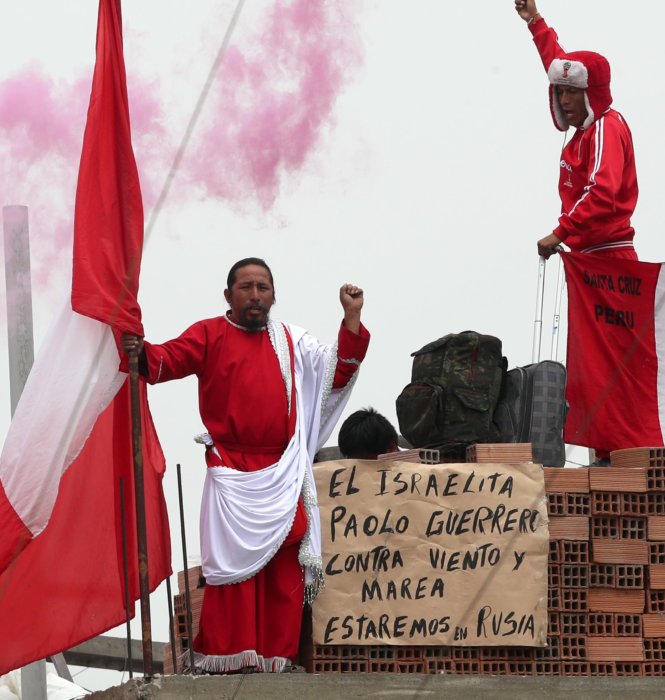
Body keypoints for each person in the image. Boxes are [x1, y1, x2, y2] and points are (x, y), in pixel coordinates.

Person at [122, 257, 370, 673]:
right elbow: (164, 361)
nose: (255, 296)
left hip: (284, 469)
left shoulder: (292, 340)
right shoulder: (209, 334)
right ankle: (230, 661)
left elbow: (335, 373)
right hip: (232, 471)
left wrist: (351, 318)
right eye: (246, 287)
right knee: (233, 572)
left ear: (273, 295)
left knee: (285, 563)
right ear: (228, 295)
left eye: (263, 288)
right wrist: (137, 351)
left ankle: (277, 660)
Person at [514, 0, 639, 262]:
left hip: (610, 258)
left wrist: (560, 232)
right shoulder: (584, 131)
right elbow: (560, 66)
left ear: (590, 93)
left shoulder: (606, 127)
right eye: (560, 92)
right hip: (585, 258)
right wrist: (534, 21)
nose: (564, 100)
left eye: (572, 92)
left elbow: (603, 193)